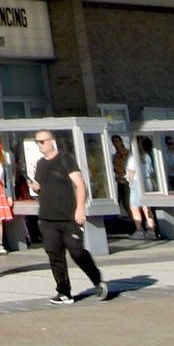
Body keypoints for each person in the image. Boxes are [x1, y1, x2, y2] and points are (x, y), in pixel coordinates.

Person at [29, 129, 108, 303]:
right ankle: (64, 291)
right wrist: (36, 187)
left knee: (76, 251)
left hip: (68, 216)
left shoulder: (65, 159)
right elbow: (41, 186)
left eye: (43, 141)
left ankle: (97, 278)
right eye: (37, 142)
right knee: (54, 255)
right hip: (47, 218)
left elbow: (80, 184)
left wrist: (80, 208)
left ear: (52, 141)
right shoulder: (40, 164)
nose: (40, 145)